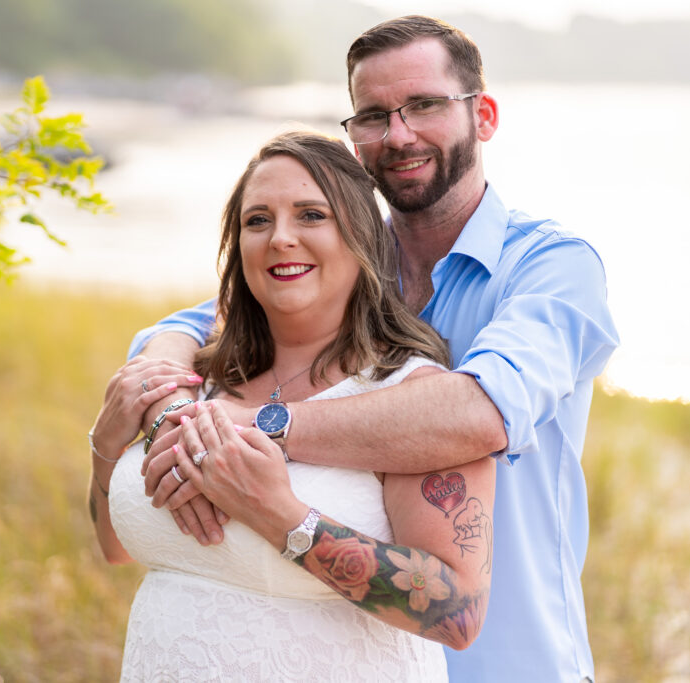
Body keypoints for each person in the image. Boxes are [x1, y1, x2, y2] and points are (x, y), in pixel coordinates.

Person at [127, 15, 619, 683]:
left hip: (511, 665)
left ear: (485, 116)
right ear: (353, 138)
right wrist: (171, 416)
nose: (399, 135)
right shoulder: (340, 260)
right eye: (373, 115)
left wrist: (257, 427)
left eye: (424, 106)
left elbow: (478, 414)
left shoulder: (552, 267)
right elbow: (185, 333)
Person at [88, 131, 496, 681]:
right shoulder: (196, 380)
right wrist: (105, 449)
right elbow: (118, 547)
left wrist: (281, 517)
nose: (280, 238)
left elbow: (458, 614)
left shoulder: (411, 401)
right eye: (258, 220)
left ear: (361, 238)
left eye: (310, 215)